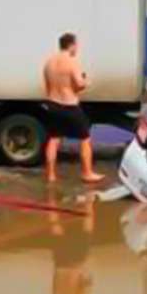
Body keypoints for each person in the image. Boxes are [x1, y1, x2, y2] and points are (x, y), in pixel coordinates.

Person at [43, 33, 104, 185]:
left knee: (54, 139)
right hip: (69, 106)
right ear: (71, 45)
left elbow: (48, 86)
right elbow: (78, 84)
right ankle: (87, 173)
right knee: (85, 138)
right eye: (76, 45)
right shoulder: (71, 62)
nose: (77, 48)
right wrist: (86, 82)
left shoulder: (49, 62)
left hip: (53, 104)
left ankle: (50, 175)